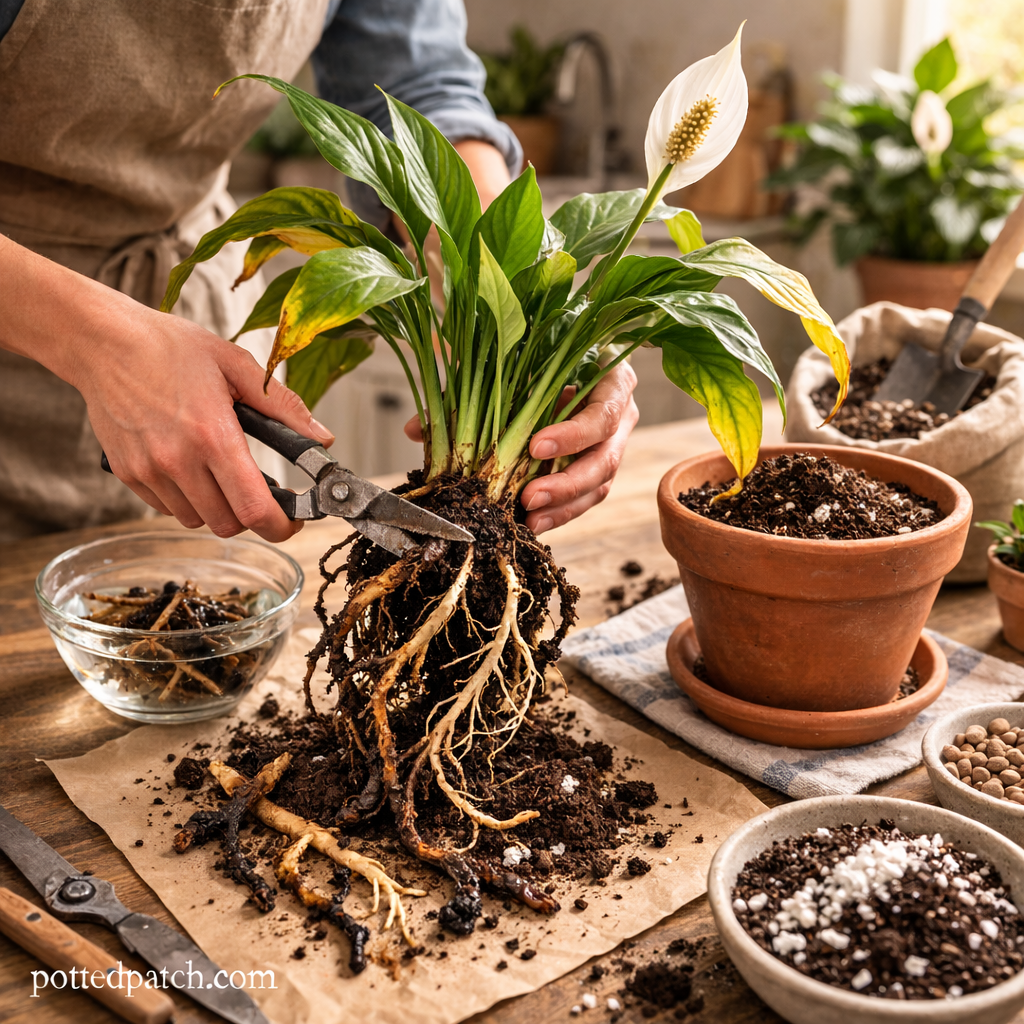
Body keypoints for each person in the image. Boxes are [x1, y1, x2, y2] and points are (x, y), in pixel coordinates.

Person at [0, 0, 638, 546]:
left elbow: (416, 86)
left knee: (175, 617)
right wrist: (101, 342)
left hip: (189, 340)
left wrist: (543, 322)